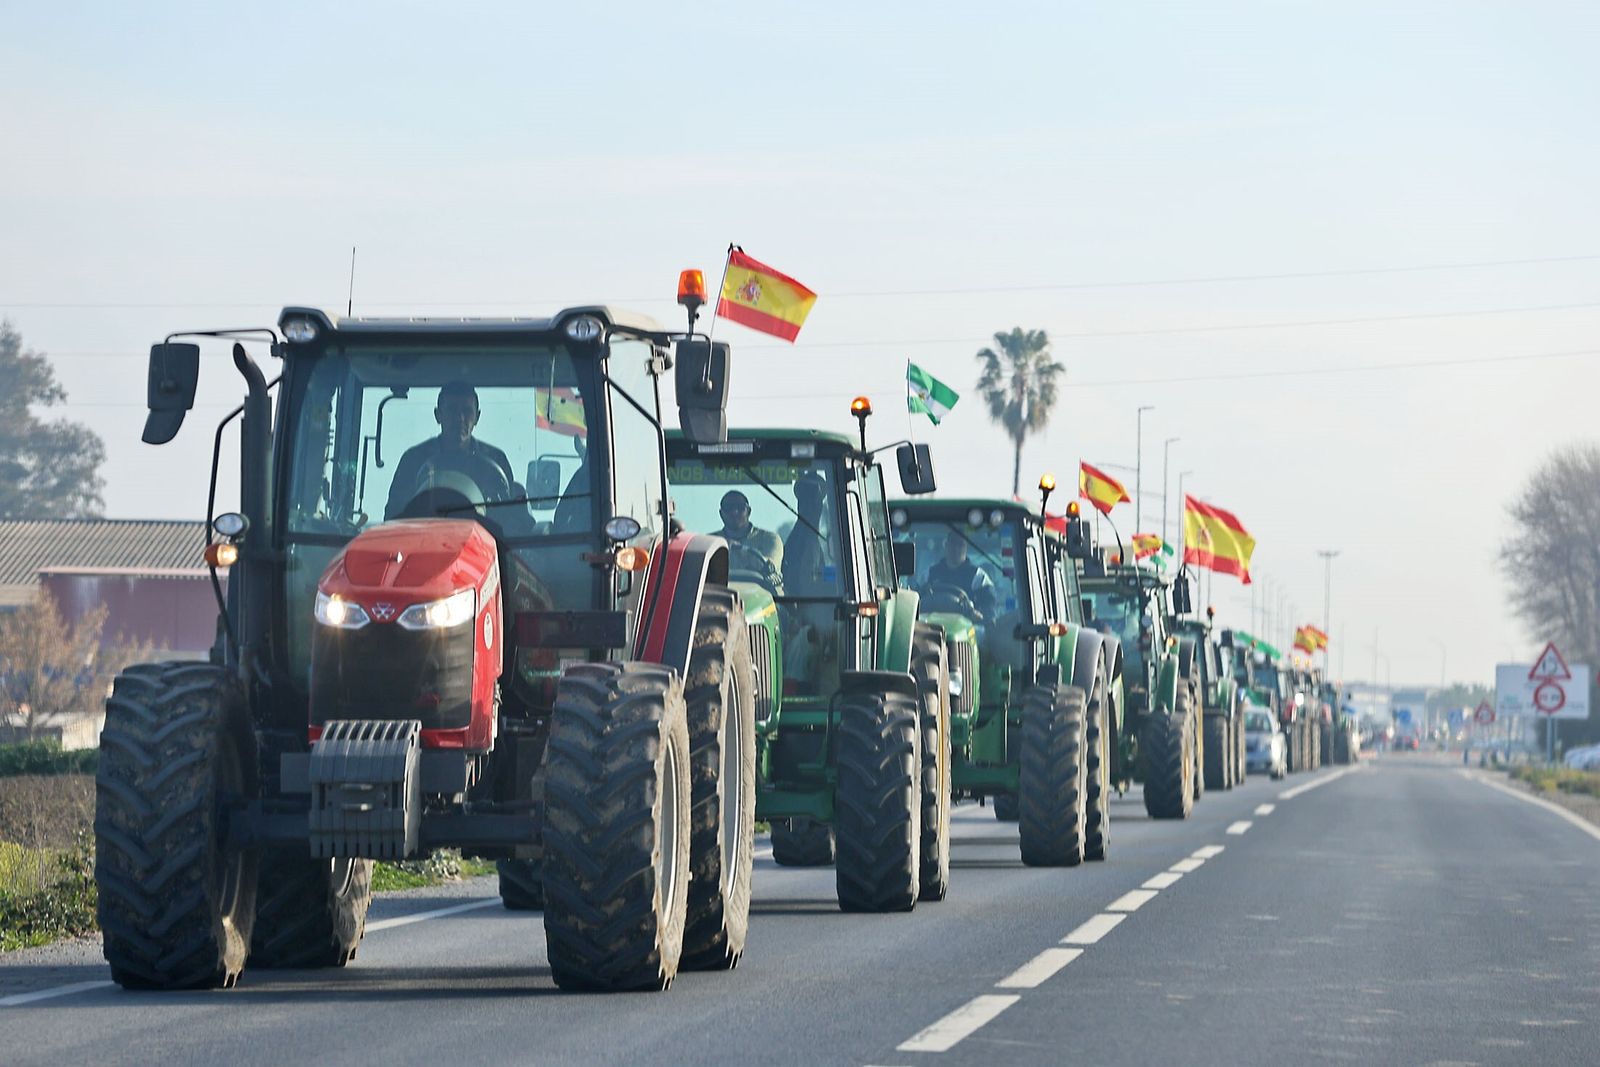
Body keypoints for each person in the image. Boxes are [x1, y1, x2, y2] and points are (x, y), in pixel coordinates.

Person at [385, 382, 516, 519]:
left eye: (467, 411)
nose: (460, 419)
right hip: (426, 538)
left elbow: (510, 520)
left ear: (477, 417)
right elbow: (394, 517)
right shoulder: (413, 460)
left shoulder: (497, 460)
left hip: (484, 539)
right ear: (438, 415)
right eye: (452, 410)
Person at [714, 489, 783, 583]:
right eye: (728, 508)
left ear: (749, 511)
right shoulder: (711, 543)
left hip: (764, 595)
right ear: (721, 514)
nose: (734, 512)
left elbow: (771, 567)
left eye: (740, 507)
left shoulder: (770, 539)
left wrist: (742, 550)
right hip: (719, 595)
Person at [782, 471, 832, 596]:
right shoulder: (800, 540)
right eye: (808, 500)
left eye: (817, 500)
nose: (814, 505)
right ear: (800, 504)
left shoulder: (832, 535)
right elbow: (804, 580)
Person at [926, 529, 996, 617]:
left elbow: (989, 609)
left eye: (961, 545)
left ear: (966, 548)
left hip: (968, 628)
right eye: (952, 543)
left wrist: (976, 613)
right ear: (946, 545)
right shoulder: (931, 573)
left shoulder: (978, 576)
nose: (956, 548)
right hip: (931, 626)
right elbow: (918, 598)